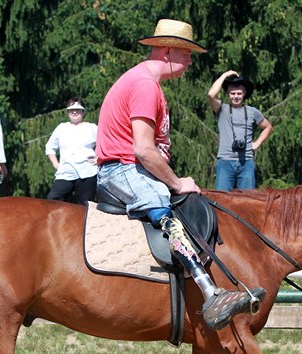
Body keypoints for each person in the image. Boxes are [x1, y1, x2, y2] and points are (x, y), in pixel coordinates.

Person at [95, 19, 265, 330]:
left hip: (127, 165)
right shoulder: (145, 85)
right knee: (164, 204)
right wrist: (175, 182)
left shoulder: (146, 83)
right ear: (168, 51)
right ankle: (209, 292)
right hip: (122, 168)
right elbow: (144, 150)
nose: (189, 61)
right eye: (186, 54)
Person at [207, 70, 272, 191]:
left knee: (248, 200)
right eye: (232, 93)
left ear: (244, 94)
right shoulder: (222, 109)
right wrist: (225, 75)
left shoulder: (252, 111)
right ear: (228, 94)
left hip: (246, 161)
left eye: (238, 93)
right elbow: (211, 95)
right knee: (222, 199)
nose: (236, 96)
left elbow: (268, 127)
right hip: (225, 161)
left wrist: (257, 143)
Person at [45, 98, 97, 205]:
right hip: (65, 172)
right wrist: (56, 164)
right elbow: (50, 147)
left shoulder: (92, 128)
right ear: (68, 112)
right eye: (71, 109)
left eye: (78, 109)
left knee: (85, 206)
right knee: (52, 201)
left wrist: (99, 158)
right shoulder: (61, 128)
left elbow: (106, 143)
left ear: (83, 111)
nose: (74, 112)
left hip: (87, 172)